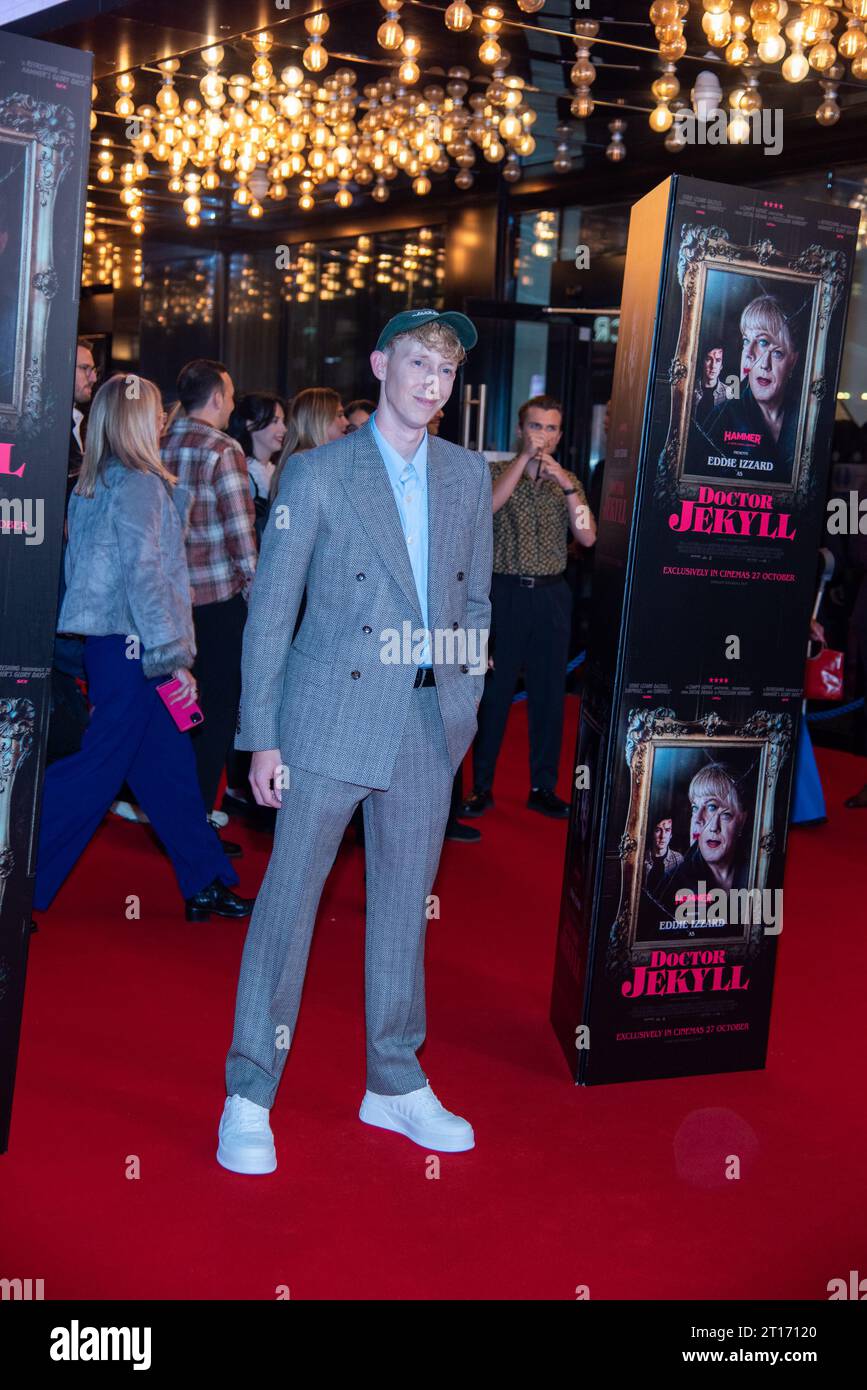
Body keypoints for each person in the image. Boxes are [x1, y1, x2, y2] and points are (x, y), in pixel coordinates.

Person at [217, 308, 492, 1175]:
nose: (429, 384)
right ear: (381, 365)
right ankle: (249, 1091)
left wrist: (463, 707)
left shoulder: (462, 477)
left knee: (405, 909)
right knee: (287, 905)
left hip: (423, 724)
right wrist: (261, 738)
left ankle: (394, 1078)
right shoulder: (319, 473)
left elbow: (476, 605)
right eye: (416, 364)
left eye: (444, 373)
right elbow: (269, 613)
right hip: (326, 720)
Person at [32, 374, 253, 923]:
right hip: (137, 648)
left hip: (116, 647)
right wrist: (171, 656)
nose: (163, 420)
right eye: (155, 412)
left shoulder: (97, 480)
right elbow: (146, 575)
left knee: (169, 768)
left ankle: (204, 881)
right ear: (136, 420)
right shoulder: (138, 483)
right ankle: (16, 874)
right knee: (97, 772)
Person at [461, 395, 596, 822]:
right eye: (537, 427)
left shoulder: (568, 478)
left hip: (552, 595)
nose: (544, 436)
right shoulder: (496, 471)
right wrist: (524, 461)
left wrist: (568, 486)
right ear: (522, 429)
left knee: (548, 696)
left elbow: (588, 537)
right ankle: (480, 787)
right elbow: (488, 509)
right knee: (495, 696)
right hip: (505, 593)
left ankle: (543, 787)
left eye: (552, 428)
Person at [161, 360, 257, 847]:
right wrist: (261, 600)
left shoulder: (157, 441)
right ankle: (195, 826)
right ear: (217, 396)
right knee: (215, 716)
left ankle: (174, 818)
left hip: (168, 605)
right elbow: (242, 536)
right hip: (218, 604)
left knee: (175, 714)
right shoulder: (223, 448)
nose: (234, 404)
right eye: (232, 394)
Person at [698, 296, 801, 485]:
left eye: (764, 343)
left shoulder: (805, 418)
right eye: (746, 341)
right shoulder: (721, 418)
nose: (749, 354)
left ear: (793, 360)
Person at [653, 763, 750, 920]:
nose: (697, 820)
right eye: (695, 808)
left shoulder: (760, 872)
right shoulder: (671, 885)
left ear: (743, 819)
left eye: (712, 807)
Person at [227, 393, 287, 548]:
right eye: (275, 421)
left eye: (283, 421)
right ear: (250, 424)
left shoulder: (278, 471)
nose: (284, 428)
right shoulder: (242, 473)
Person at [270, 387, 348, 498]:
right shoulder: (305, 463)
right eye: (339, 415)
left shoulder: (313, 460)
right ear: (319, 419)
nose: (346, 422)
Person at [643, 816, 683, 898]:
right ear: (652, 833)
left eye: (667, 830)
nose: (663, 836)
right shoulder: (641, 858)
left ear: (671, 835)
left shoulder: (678, 859)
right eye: (658, 830)